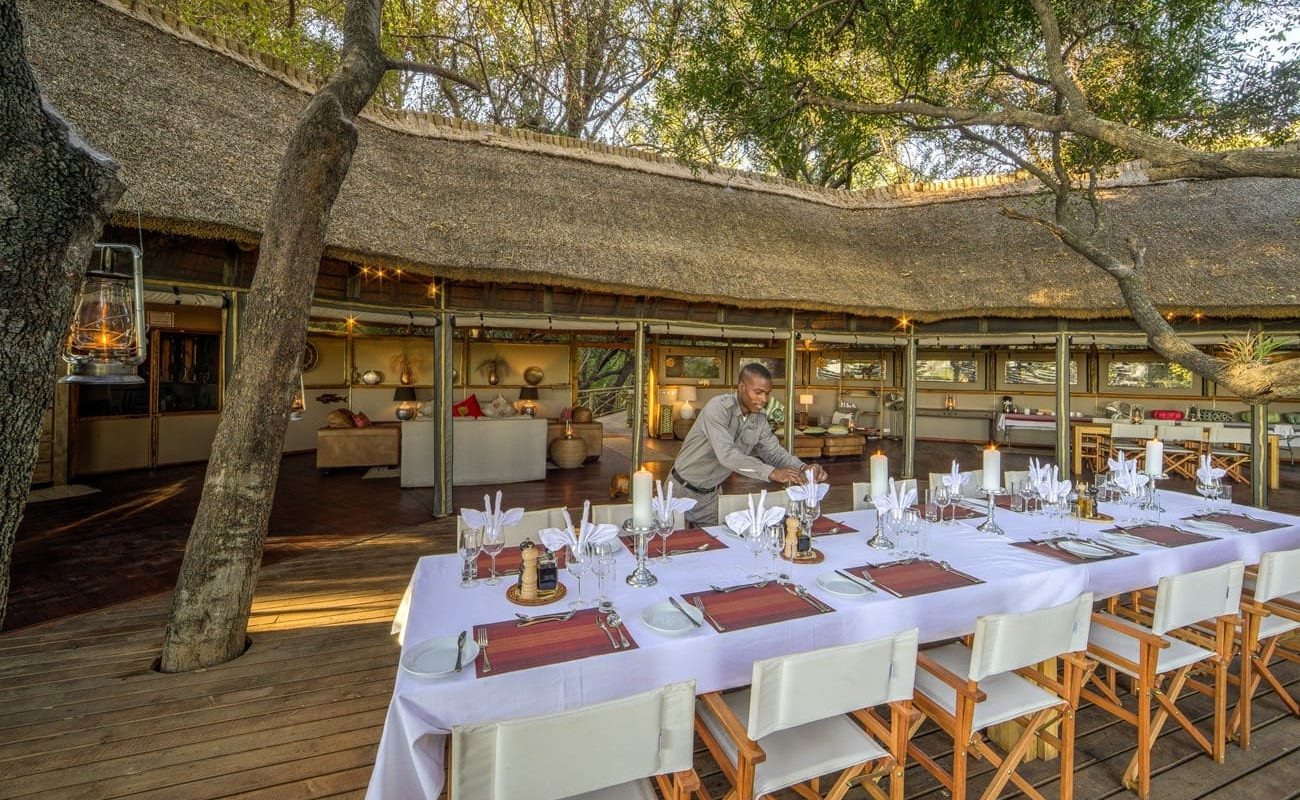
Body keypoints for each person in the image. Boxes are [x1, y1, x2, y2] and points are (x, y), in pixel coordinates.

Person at [669, 363, 827, 527]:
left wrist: (803, 469)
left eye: (767, 393)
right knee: (669, 546)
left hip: (711, 497)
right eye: (758, 392)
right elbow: (727, 455)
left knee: (715, 547)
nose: (764, 399)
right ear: (742, 387)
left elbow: (773, 452)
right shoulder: (718, 408)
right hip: (679, 490)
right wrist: (772, 473)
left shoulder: (759, 419)